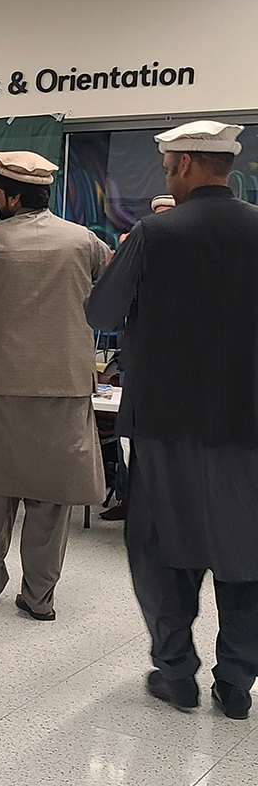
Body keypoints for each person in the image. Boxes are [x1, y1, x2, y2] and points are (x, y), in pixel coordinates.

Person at [86, 121, 258, 720]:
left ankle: (177, 673)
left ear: (184, 164)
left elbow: (100, 311)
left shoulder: (154, 234)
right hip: (248, 426)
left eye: (166, 166)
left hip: (164, 422)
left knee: (162, 546)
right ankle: (236, 683)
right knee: (248, 550)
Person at [0, 151, 109, 622]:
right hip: (66, 383)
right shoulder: (84, 241)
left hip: (3, 383)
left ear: (8, 196)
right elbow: (113, 282)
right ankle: (39, 597)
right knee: (51, 494)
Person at [100, 192, 176, 522]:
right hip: (139, 357)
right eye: (156, 216)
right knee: (128, 430)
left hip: (179, 364)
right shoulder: (138, 253)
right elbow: (111, 305)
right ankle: (128, 499)